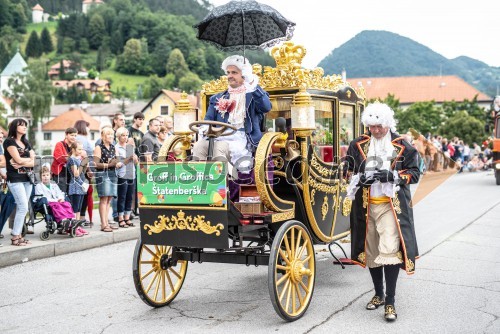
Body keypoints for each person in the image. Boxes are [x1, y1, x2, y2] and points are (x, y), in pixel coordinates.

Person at [345, 103, 420, 322]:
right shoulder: (358, 144)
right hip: (366, 207)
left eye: (379, 126)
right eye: (371, 126)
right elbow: (347, 171)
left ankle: (390, 301)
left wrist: (393, 176)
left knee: (389, 250)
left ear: (387, 124)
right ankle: (378, 293)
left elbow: (415, 173)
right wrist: (358, 178)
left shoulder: (403, 146)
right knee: (372, 252)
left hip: (391, 206)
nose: (375, 130)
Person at [192, 55, 272, 175]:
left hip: (243, 138)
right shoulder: (217, 98)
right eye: (228, 72)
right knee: (199, 146)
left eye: (234, 72)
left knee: (219, 147)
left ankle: (224, 185)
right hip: (218, 136)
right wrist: (205, 129)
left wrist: (251, 82)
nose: (229, 76)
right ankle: (200, 182)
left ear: (244, 75)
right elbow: (207, 120)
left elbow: (266, 107)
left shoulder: (253, 94)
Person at [4, 119, 35, 246]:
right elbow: (16, 159)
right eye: (21, 125)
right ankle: (15, 236)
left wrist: (23, 162)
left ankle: (19, 235)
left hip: (27, 178)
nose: (24, 127)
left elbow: (34, 161)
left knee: (24, 207)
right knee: (23, 207)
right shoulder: (9, 141)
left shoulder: (26, 142)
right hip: (15, 178)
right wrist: (26, 161)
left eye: (25, 125)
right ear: (14, 127)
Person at [34, 165, 88, 236]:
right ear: (40, 177)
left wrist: (60, 198)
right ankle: (65, 222)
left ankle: (74, 223)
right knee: (58, 206)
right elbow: (43, 197)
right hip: (47, 203)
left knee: (66, 204)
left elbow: (59, 192)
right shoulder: (39, 186)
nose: (45, 177)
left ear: (50, 176)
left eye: (47, 175)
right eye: (43, 175)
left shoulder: (53, 184)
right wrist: (56, 200)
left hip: (56, 201)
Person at [94, 127, 123, 232]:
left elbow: (118, 160)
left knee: (109, 199)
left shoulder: (113, 147)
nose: (111, 136)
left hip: (112, 173)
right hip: (103, 174)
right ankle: (103, 224)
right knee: (104, 199)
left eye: (112, 134)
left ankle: (107, 222)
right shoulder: (99, 147)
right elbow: (96, 164)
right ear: (103, 136)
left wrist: (118, 163)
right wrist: (109, 164)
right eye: (108, 134)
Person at [115, 127, 138, 228]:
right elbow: (118, 163)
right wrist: (129, 158)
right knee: (122, 196)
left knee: (130, 197)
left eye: (126, 135)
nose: (125, 137)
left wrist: (135, 158)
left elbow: (136, 162)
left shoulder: (130, 147)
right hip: (122, 174)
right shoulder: (116, 147)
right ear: (118, 137)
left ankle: (127, 217)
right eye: (123, 135)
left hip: (131, 173)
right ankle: (120, 218)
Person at [74, 120, 94, 227]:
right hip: (85, 170)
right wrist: (89, 170)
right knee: (84, 194)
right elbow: (85, 156)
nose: (89, 129)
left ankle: (80, 217)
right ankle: (81, 217)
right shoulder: (82, 139)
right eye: (87, 127)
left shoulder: (79, 138)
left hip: (82, 170)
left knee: (83, 194)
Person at [51, 127, 78, 193]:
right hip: (60, 174)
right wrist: (72, 158)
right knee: (61, 194)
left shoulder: (74, 146)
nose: (74, 137)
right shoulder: (60, 144)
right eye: (72, 135)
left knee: (69, 195)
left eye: (75, 136)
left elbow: (79, 157)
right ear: (66, 135)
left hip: (70, 174)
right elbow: (60, 158)